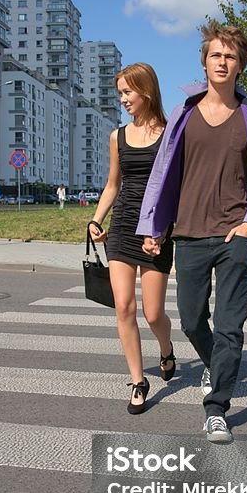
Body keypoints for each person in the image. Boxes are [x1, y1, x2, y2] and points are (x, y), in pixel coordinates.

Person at [138, 22, 247, 443]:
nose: (222, 61)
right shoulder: (184, 114)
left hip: (235, 235)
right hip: (191, 235)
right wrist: (154, 226)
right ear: (204, 61)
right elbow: (163, 174)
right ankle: (217, 368)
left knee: (231, 326)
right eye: (216, 54)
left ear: (240, 66)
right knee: (193, 318)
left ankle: (216, 407)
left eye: (230, 56)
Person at [89, 62, 175, 414]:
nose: (122, 99)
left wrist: (163, 232)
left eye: (127, 92)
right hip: (123, 227)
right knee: (124, 306)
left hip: (155, 230)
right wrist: (96, 219)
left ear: (147, 91)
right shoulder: (117, 136)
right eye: (120, 93)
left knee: (153, 314)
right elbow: (113, 185)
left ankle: (166, 351)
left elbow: (175, 190)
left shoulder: (171, 134)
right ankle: (138, 380)